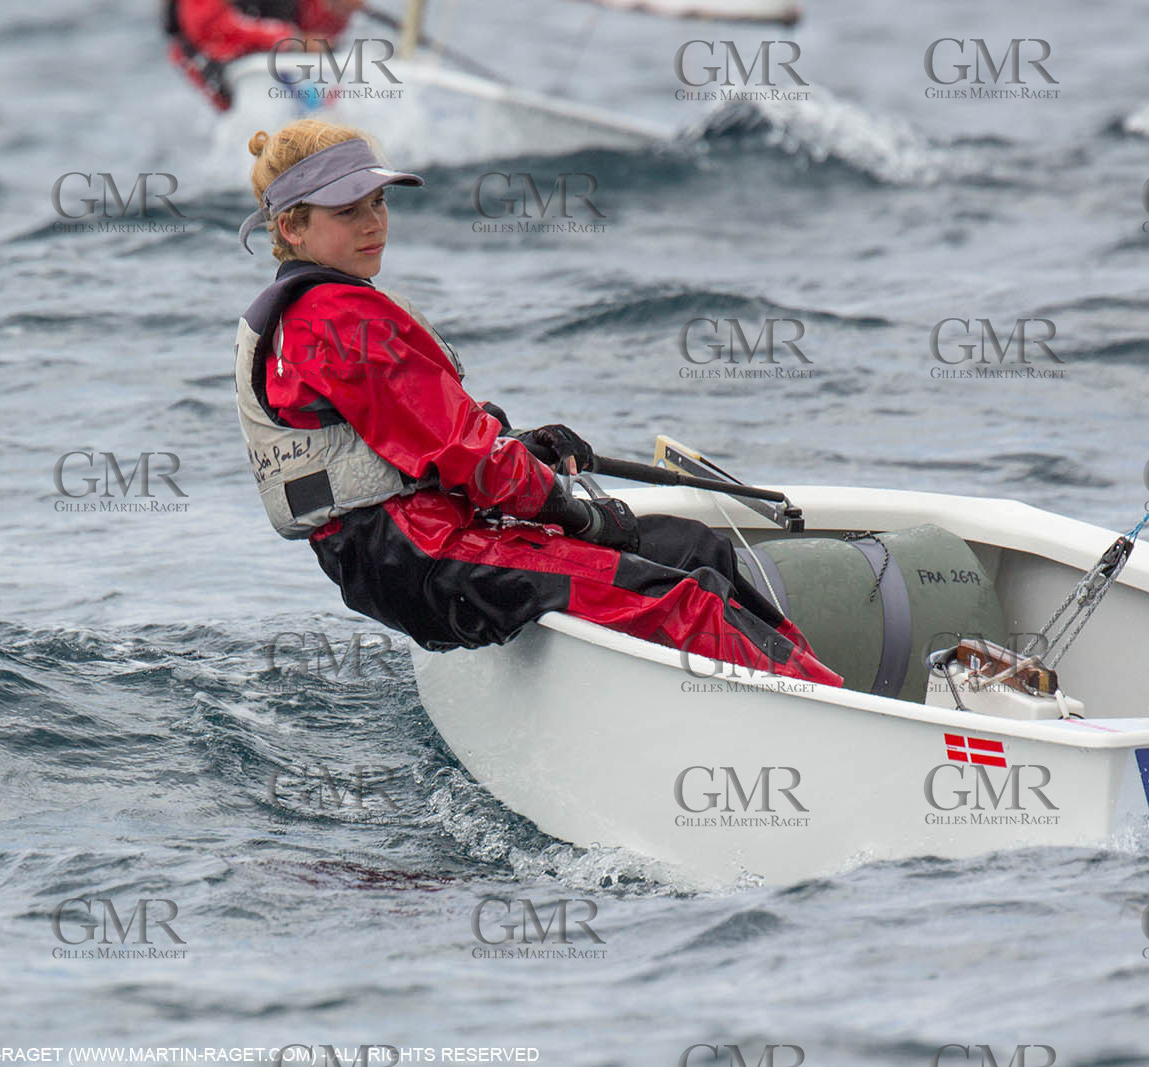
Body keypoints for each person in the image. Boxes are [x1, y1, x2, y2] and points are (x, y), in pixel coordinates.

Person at [232, 118, 844, 687]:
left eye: (380, 201)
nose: (374, 223)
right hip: (424, 558)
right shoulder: (339, 320)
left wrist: (523, 449)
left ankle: (824, 688)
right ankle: (832, 718)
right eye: (348, 211)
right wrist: (577, 513)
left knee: (694, 549)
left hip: (418, 544)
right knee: (686, 601)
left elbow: (419, 448)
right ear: (292, 227)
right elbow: (462, 456)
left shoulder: (318, 313)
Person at [165, 0, 366, 110]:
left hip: (274, 52)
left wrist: (332, 9)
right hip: (218, 60)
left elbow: (317, 28)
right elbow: (210, 28)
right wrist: (291, 38)